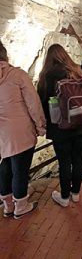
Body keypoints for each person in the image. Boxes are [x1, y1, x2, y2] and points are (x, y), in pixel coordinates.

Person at [38, 44, 82, 207]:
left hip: (61, 127)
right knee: (78, 159)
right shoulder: (78, 70)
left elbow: (42, 101)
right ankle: (75, 193)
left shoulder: (49, 74)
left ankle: (64, 197)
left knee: (64, 162)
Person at [0, 41, 46, 219]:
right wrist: (41, 126)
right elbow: (33, 103)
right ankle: (21, 205)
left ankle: (7, 204)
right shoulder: (17, 75)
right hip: (21, 131)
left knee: (5, 166)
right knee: (20, 168)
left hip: (2, 133)